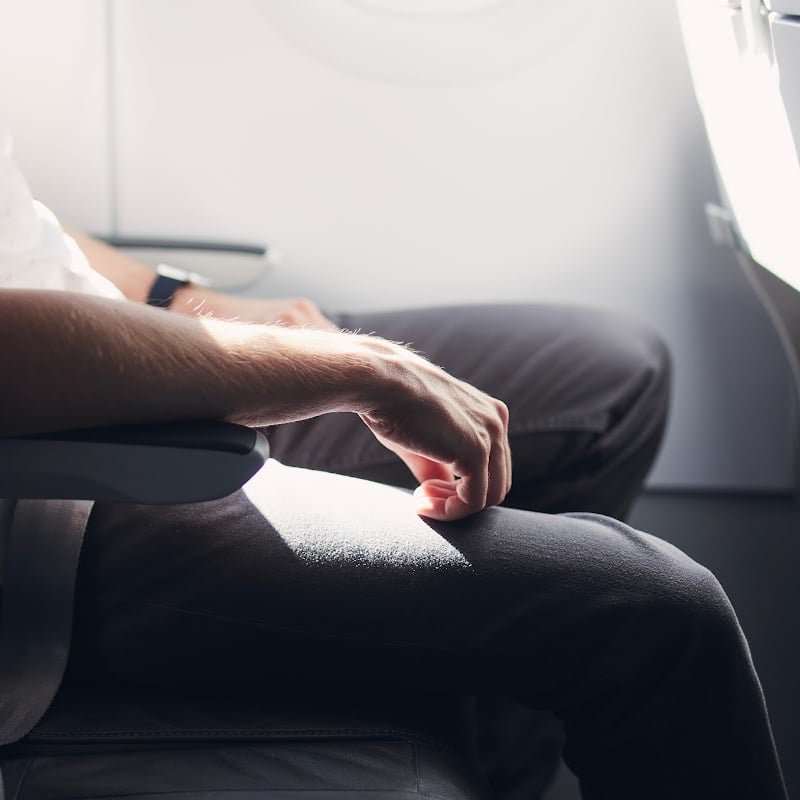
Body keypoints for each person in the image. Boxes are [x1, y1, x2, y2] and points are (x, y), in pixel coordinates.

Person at [0, 119, 788, 799]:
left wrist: (180, 298)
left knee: (617, 372)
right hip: (58, 493)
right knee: (656, 614)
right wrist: (359, 370)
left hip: (115, 374)